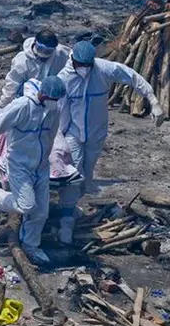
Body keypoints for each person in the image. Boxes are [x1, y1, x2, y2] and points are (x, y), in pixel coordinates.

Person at [56, 41, 164, 242]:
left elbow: (133, 77)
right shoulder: (64, 79)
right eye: (81, 65)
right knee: (74, 173)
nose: (84, 70)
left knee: (86, 176)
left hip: (97, 132)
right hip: (73, 132)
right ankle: (66, 220)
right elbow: (60, 112)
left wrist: (153, 101)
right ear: (73, 61)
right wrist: (58, 138)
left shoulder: (103, 69)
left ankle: (70, 207)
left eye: (88, 66)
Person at [0, 76, 66, 265]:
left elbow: (51, 136)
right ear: (43, 94)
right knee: (26, 206)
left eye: (57, 100)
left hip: (40, 166)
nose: (55, 102)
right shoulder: (22, 106)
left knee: (41, 211)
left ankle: (31, 246)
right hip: (19, 165)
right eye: (52, 99)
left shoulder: (53, 111)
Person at [0, 29, 70, 108]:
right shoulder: (21, 62)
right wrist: (2, 105)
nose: (43, 54)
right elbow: (12, 86)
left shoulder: (61, 53)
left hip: (53, 100)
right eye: (41, 49)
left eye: (48, 51)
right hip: (28, 101)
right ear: (35, 43)